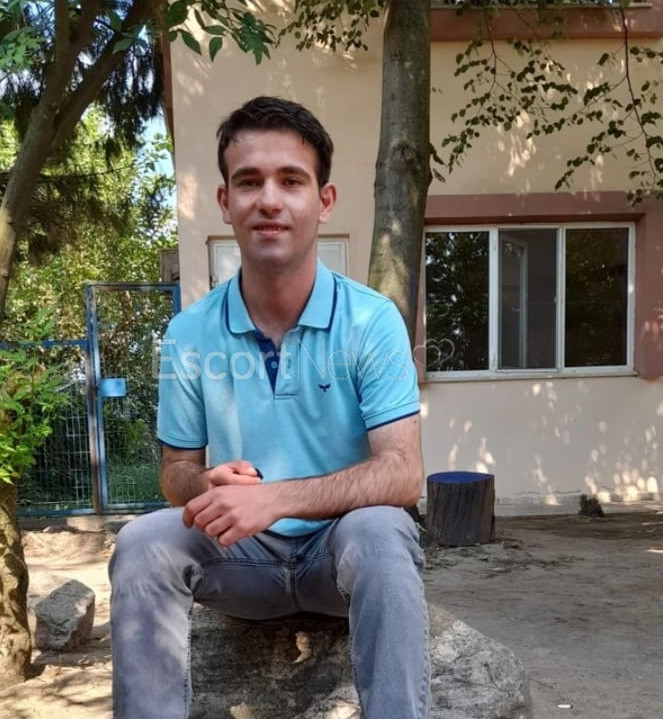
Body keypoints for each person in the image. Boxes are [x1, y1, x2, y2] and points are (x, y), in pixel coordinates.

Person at [109, 95, 430, 719]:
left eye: (291, 180)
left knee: (382, 529)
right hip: (241, 563)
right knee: (142, 541)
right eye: (249, 181)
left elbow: (402, 473)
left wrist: (275, 498)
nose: (269, 200)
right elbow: (175, 472)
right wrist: (204, 482)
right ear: (225, 200)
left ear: (324, 200)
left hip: (339, 557)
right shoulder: (189, 334)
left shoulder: (371, 321)